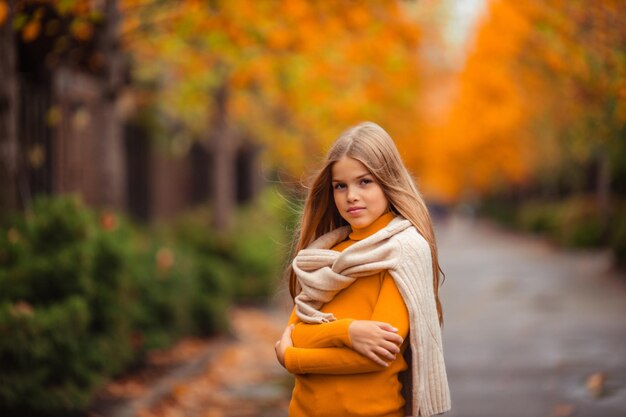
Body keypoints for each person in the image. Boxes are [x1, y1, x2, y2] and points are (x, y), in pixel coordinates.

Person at [275, 121, 451, 417]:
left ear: (388, 181)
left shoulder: (404, 251)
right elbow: (295, 333)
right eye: (340, 186)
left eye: (364, 182)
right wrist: (348, 332)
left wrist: (292, 359)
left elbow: (375, 356)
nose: (351, 195)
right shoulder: (324, 256)